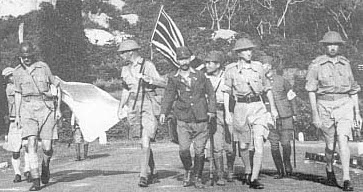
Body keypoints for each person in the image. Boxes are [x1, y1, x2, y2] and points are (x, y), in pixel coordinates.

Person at [305, 31, 362, 191]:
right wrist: (315, 114)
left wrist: (357, 113)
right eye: (329, 44)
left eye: (335, 44)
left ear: (339, 46)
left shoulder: (346, 64)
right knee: (330, 146)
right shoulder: (316, 64)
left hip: (344, 104)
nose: (332, 47)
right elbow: (311, 90)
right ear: (325, 46)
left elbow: (353, 90)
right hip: (324, 106)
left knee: (343, 140)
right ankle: (329, 169)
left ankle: (346, 179)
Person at [223, 38, 278, 189]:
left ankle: (254, 178)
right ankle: (248, 170)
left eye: (250, 50)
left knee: (259, 143)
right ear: (239, 53)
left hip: (258, 106)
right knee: (243, 145)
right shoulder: (231, 70)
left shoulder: (259, 67)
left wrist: (272, 109)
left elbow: (267, 89)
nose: (249, 53)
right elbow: (227, 92)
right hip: (240, 108)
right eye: (245, 50)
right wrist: (228, 112)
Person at [159, 46, 216, 189]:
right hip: (183, 118)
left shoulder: (200, 75)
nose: (183, 61)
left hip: (201, 118)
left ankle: (197, 177)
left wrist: (212, 111)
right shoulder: (173, 78)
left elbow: (211, 93)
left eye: (185, 58)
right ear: (177, 60)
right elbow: (169, 96)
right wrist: (163, 112)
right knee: (183, 149)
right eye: (180, 59)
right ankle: (188, 170)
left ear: (190, 58)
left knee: (199, 151)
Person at [117, 39, 166, 187]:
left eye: (122, 53)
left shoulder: (147, 65)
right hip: (133, 106)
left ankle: (143, 175)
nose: (121, 56)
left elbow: (163, 82)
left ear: (130, 52)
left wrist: (148, 79)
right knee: (142, 141)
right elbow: (126, 90)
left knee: (146, 139)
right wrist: (121, 106)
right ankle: (154, 170)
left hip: (148, 103)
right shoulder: (125, 69)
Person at [13, 41, 62, 191]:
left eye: (29, 56)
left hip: (46, 107)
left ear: (32, 55)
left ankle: (45, 165)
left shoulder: (43, 67)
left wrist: (58, 108)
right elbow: (17, 93)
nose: (27, 59)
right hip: (27, 108)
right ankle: (36, 180)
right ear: (20, 56)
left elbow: (56, 87)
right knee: (31, 142)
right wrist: (17, 115)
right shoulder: (17, 72)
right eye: (24, 56)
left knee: (47, 147)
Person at [204, 50, 236, 185]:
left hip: (228, 111)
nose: (207, 65)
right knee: (217, 146)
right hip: (213, 112)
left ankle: (230, 168)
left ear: (218, 64)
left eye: (210, 63)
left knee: (230, 147)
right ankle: (220, 175)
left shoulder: (227, 76)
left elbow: (235, 92)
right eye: (206, 62)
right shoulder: (204, 77)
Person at [262, 57, 298, 179]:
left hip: (285, 115)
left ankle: (287, 163)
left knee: (286, 143)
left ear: (270, 67)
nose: (263, 67)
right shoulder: (260, 82)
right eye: (261, 65)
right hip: (270, 117)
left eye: (265, 65)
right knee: (274, 145)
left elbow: (291, 97)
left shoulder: (282, 80)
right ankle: (280, 170)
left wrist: (294, 114)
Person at [2, 67, 32, 183]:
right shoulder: (10, 88)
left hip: (25, 119)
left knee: (27, 147)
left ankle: (27, 170)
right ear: (7, 79)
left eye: (13, 75)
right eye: (9, 76)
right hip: (14, 120)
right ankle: (17, 173)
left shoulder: (20, 86)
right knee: (16, 150)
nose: (12, 78)